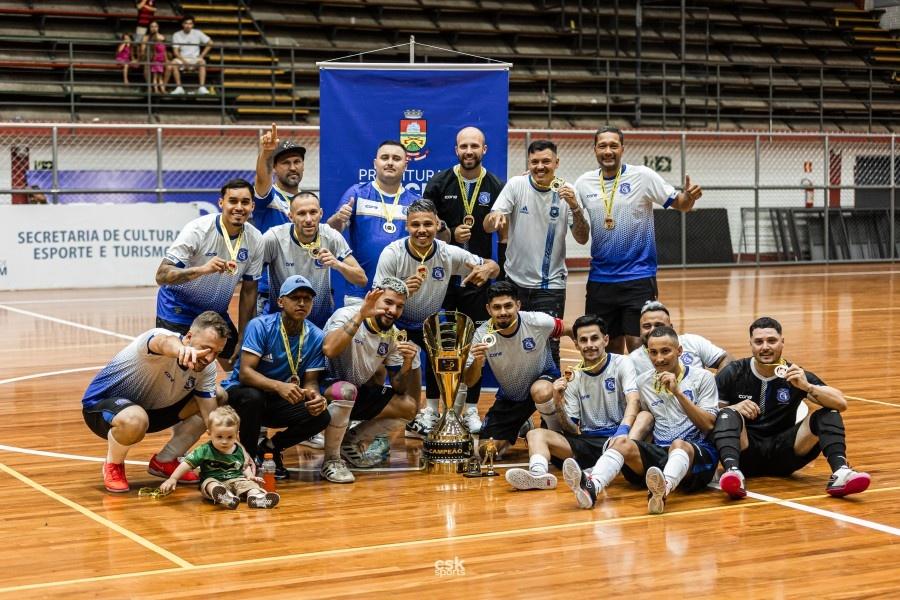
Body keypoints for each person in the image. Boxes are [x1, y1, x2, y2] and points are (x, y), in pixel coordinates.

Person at [373, 199, 499, 438]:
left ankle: (434, 412)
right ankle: (371, 420)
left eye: (428, 224)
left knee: (443, 351)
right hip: (394, 323)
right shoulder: (392, 253)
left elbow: (493, 266)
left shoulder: (447, 253)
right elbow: (378, 299)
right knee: (388, 376)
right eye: (415, 225)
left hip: (425, 323)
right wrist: (401, 290)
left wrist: (487, 269)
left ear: (437, 224)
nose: (422, 230)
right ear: (407, 226)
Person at [574, 126, 703, 355]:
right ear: (594, 149)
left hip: (638, 278)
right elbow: (580, 235)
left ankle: (642, 392)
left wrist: (689, 198)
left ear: (622, 148)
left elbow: (680, 204)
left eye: (614, 145)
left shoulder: (642, 176)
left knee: (638, 347)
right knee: (609, 350)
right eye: (602, 145)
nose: (608, 151)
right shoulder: (584, 183)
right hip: (600, 280)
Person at [563, 326, 719, 514]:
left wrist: (677, 393)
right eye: (653, 352)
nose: (659, 358)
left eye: (665, 351)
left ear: (679, 351)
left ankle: (663, 490)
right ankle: (592, 487)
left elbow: (708, 424)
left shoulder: (703, 378)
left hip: (697, 455)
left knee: (679, 444)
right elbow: (641, 416)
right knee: (622, 443)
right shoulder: (644, 382)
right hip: (660, 453)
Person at [711, 317, 871, 499]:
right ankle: (733, 473)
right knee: (726, 413)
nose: (765, 347)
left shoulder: (795, 374)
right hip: (745, 453)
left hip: (785, 454)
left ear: (782, 342)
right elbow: (707, 415)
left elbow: (841, 403)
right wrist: (735, 407)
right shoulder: (734, 372)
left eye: (771, 340)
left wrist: (808, 387)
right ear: (751, 344)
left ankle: (841, 472)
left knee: (828, 412)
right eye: (759, 342)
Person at [224, 276, 358, 484]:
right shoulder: (260, 326)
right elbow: (245, 373)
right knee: (253, 397)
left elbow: (311, 380)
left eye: (307, 299)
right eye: (295, 297)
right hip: (242, 395)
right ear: (280, 302)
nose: (302, 303)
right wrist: (279, 386)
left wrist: (314, 396)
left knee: (321, 415)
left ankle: (270, 448)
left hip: (280, 400)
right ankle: (247, 458)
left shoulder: (314, 335)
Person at [81, 311, 229, 493]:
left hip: (153, 411)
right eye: (206, 348)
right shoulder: (157, 340)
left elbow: (211, 420)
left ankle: (165, 461)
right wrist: (180, 350)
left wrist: (235, 453)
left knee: (219, 395)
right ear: (189, 337)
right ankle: (113, 464)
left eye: (217, 352)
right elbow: (163, 342)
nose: (209, 358)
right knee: (135, 418)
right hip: (102, 406)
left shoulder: (207, 368)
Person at [423, 125, 506, 432]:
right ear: (456, 149)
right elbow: (427, 224)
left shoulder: (496, 185)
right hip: (442, 279)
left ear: (484, 150)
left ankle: (470, 408)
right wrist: (448, 233)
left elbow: (505, 230)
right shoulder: (439, 182)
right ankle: (432, 407)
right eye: (463, 146)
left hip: (478, 278)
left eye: (475, 146)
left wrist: (497, 266)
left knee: (475, 345)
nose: (469, 151)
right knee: (438, 344)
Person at [484, 139, 589, 367]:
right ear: (528, 163)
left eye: (546, 161)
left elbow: (582, 238)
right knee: (516, 343)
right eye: (534, 162)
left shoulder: (568, 192)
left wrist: (574, 207)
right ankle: (518, 397)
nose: (540, 166)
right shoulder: (516, 185)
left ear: (556, 162)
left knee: (550, 347)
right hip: (515, 281)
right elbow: (488, 224)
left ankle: (552, 399)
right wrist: (495, 219)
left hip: (549, 285)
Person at [505, 315, 639, 491]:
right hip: (588, 442)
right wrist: (558, 402)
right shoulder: (573, 375)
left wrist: (622, 432)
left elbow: (634, 400)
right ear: (576, 344)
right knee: (535, 434)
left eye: (594, 338)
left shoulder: (622, 363)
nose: (589, 344)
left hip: (619, 441)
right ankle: (538, 475)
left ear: (605, 340)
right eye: (583, 340)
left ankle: (595, 472)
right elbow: (571, 428)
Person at [155, 178, 262, 370]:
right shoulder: (198, 230)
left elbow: (249, 292)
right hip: (178, 308)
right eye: (233, 201)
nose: (239, 207)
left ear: (252, 206)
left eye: (245, 202)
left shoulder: (255, 240)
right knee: (179, 367)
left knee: (239, 366)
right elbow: (161, 275)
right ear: (221, 203)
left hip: (215, 312)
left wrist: (242, 338)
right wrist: (202, 270)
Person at [322, 277, 421, 467]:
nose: (393, 311)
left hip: (355, 391)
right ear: (374, 297)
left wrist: (407, 363)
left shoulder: (393, 334)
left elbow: (399, 388)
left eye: (399, 306)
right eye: (388, 302)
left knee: (408, 406)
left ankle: (349, 441)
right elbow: (330, 350)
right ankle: (332, 460)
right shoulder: (346, 314)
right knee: (346, 390)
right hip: (324, 388)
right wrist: (360, 315)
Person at [463, 281, 569, 456]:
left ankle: (557, 434)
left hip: (543, 379)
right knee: (485, 452)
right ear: (489, 309)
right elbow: (469, 381)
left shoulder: (537, 321)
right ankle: (521, 422)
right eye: (497, 307)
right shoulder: (481, 335)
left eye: (508, 306)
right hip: (512, 396)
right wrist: (477, 361)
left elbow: (570, 329)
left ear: (518, 305)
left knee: (540, 391)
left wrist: (586, 364)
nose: (503, 312)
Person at [327, 140, 420, 305]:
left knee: (396, 333)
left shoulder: (416, 202)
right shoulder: (357, 193)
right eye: (385, 157)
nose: (390, 162)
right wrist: (338, 218)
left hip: (400, 295)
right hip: (360, 292)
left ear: (405, 165)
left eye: (396, 158)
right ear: (375, 163)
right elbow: (330, 233)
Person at [262, 191, 366, 327]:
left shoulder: (331, 236)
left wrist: (337, 264)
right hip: (281, 322)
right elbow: (250, 277)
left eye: (313, 212)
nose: (309, 219)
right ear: (290, 216)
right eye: (301, 213)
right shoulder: (274, 238)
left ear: (321, 213)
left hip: (320, 323)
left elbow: (362, 279)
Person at [159, 406, 280, 509]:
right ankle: (225, 497)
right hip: (214, 480)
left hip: (236, 480)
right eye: (219, 437)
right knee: (209, 484)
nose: (224, 441)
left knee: (251, 485)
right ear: (209, 433)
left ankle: (257, 498)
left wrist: (250, 476)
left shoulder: (238, 451)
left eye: (229, 437)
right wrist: (173, 478)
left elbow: (243, 466)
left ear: (236, 435)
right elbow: (187, 463)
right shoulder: (204, 450)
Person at [253, 124, 306, 312]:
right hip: (269, 292)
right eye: (285, 163)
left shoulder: (307, 203)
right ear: (274, 167)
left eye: (297, 161)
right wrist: (266, 153)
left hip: (301, 290)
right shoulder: (268, 197)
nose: (293, 167)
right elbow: (261, 180)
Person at [628, 300, 732, 375]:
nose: (652, 330)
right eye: (647, 326)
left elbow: (726, 359)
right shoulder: (632, 361)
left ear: (671, 328)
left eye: (659, 325)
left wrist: (715, 387)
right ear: (640, 330)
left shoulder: (693, 341)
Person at [170, 15, 212, 95]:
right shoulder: (176, 35)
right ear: (182, 24)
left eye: (190, 24)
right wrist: (184, 61)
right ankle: (179, 87)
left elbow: (210, 43)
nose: (188, 25)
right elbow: (175, 52)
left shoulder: (198, 33)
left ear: (193, 25)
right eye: (186, 23)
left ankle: (202, 87)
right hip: (182, 59)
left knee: (202, 62)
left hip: (195, 59)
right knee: (173, 62)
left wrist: (202, 55)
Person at [148, 29, 167, 95]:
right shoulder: (156, 44)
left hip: (161, 61)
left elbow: (164, 53)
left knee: (160, 77)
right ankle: (156, 89)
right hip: (156, 61)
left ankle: (162, 89)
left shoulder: (163, 44)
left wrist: (166, 60)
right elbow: (154, 52)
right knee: (155, 76)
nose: (161, 35)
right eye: (158, 35)